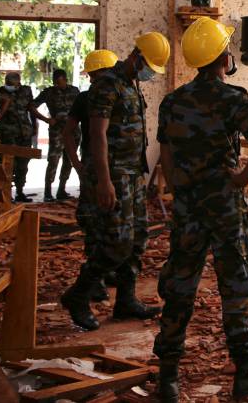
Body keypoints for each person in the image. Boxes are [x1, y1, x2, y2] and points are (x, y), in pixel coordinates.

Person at [154, 17, 248, 402]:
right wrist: (240, 180)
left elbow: (166, 156)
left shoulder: (172, 101)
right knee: (236, 288)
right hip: (224, 207)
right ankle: (246, 373)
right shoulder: (233, 98)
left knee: (179, 289)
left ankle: (169, 379)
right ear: (223, 57)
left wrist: (179, 191)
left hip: (189, 209)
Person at [60, 32, 170, 331]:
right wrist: (104, 181)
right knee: (117, 243)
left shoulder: (130, 84)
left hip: (132, 174)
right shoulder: (107, 85)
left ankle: (126, 300)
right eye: (148, 65)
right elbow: (97, 135)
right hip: (113, 176)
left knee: (137, 239)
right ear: (136, 56)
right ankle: (79, 294)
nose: (149, 73)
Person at [63, 49, 118, 303]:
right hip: (95, 171)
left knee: (112, 225)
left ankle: (106, 272)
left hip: (113, 170)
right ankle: (94, 282)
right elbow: (68, 132)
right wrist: (77, 165)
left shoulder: (121, 94)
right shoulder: (85, 99)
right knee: (95, 223)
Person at [33, 69, 81, 201]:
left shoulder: (75, 91)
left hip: (73, 132)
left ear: (65, 79)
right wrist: (47, 120)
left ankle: (62, 190)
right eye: (55, 82)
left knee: (69, 161)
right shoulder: (49, 92)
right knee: (53, 161)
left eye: (59, 82)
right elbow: (31, 106)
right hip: (57, 132)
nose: (57, 85)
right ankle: (48, 192)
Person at [0, 72, 35, 203]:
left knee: (23, 164)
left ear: (19, 82)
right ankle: (6, 193)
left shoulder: (26, 90)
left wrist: (34, 127)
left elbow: (31, 108)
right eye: (7, 83)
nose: (9, 86)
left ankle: (20, 191)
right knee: (8, 163)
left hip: (25, 132)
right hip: (8, 133)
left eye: (12, 84)